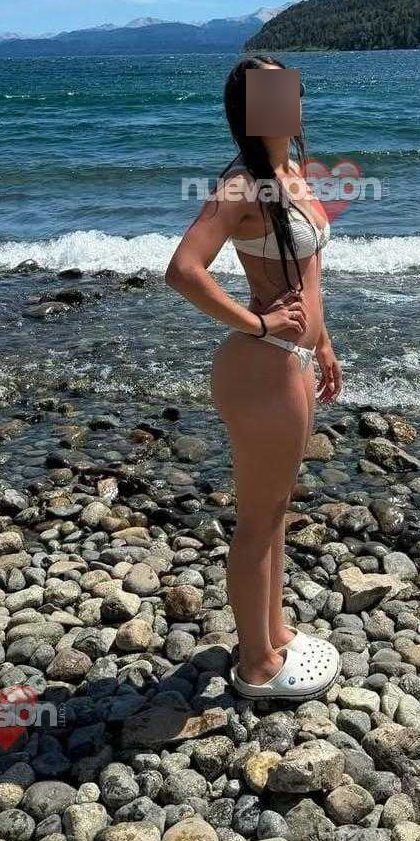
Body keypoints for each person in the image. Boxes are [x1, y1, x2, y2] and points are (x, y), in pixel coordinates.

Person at [165, 56, 343, 697]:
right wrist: (259, 323)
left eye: (289, 87)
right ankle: (256, 666)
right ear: (248, 108)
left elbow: (308, 278)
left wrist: (324, 343)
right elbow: (184, 269)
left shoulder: (291, 173)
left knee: (277, 508)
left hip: (293, 361)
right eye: (271, 91)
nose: (287, 100)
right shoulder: (242, 184)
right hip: (261, 367)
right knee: (258, 519)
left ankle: (274, 632)